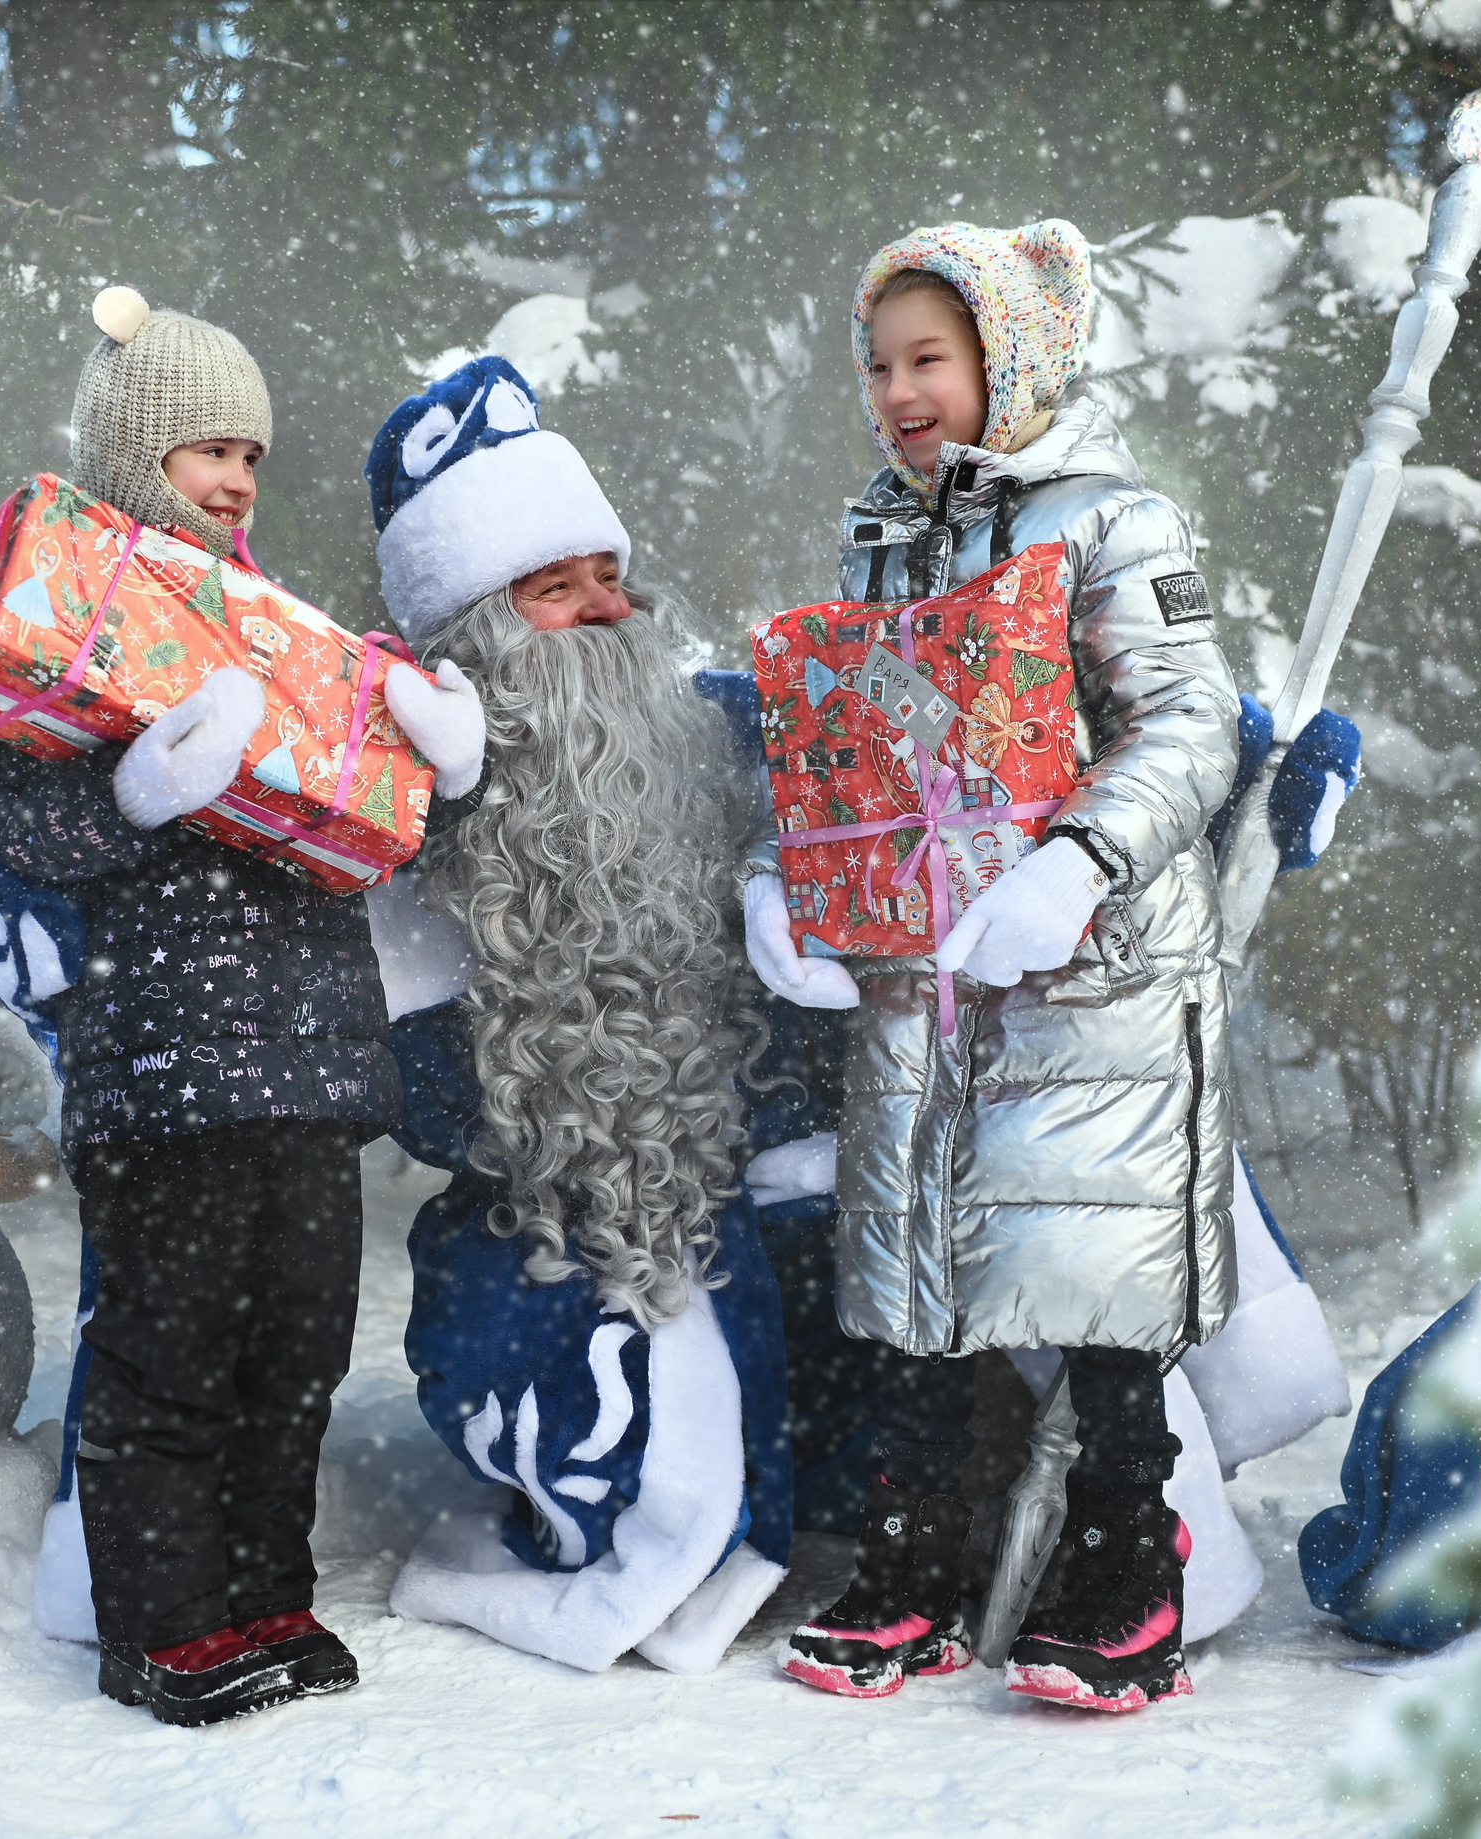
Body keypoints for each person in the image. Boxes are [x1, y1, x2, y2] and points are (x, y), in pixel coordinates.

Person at [0, 287, 484, 1727]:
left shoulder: (282, 636)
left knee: (298, 1349)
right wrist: (133, 793)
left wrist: (442, 766)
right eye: (205, 451)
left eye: (249, 455)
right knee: (168, 1352)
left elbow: (367, 820)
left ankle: (263, 1594)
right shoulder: (74, 624)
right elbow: (16, 815)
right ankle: (163, 1621)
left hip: (310, 1065)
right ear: (135, 459)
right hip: (163, 1072)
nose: (237, 481)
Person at [748, 221, 1244, 1714]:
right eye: (881, 364)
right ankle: (907, 1569)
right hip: (925, 969)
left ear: (1005, 365)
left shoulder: (1112, 522)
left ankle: (1123, 1571)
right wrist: (796, 887)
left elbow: (1190, 723)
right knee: (908, 1274)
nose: (900, 391)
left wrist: (1077, 863)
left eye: (932, 360)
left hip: (1087, 967)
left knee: (1093, 1280)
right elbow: (850, 749)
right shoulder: (877, 533)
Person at [360, 356, 831, 1672]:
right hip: (543, 1234)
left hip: (766, 1179)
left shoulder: (712, 733)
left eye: (607, 577)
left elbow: (933, 740)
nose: (605, 613)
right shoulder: (399, 823)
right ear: (472, 642)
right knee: (613, 1372)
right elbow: (425, 1092)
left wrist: (1236, 758)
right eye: (555, 589)